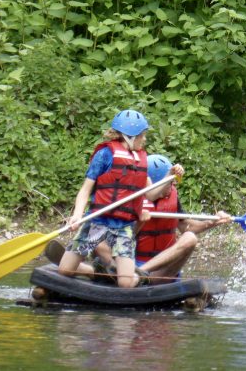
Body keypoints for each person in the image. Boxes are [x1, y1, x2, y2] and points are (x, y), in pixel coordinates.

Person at [57, 109, 162, 288]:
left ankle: (136, 277)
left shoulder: (139, 159)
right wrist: (77, 215)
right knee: (65, 270)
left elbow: (151, 194)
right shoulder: (105, 155)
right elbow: (84, 191)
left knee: (126, 283)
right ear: (130, 137)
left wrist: (170, 176)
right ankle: (95, 271)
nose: (144, 140)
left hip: (124, 227)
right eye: (141, 136)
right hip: (97, 221)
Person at [133, 154, 232, 284]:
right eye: (170, 181)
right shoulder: (133, 198)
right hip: (132, 266)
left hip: (162, 271)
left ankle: (140, 274)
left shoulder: (172, 196)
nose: (174, 183)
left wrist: (212, 222)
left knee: (190, 238)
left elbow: (186, 226)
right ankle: (136, 274)